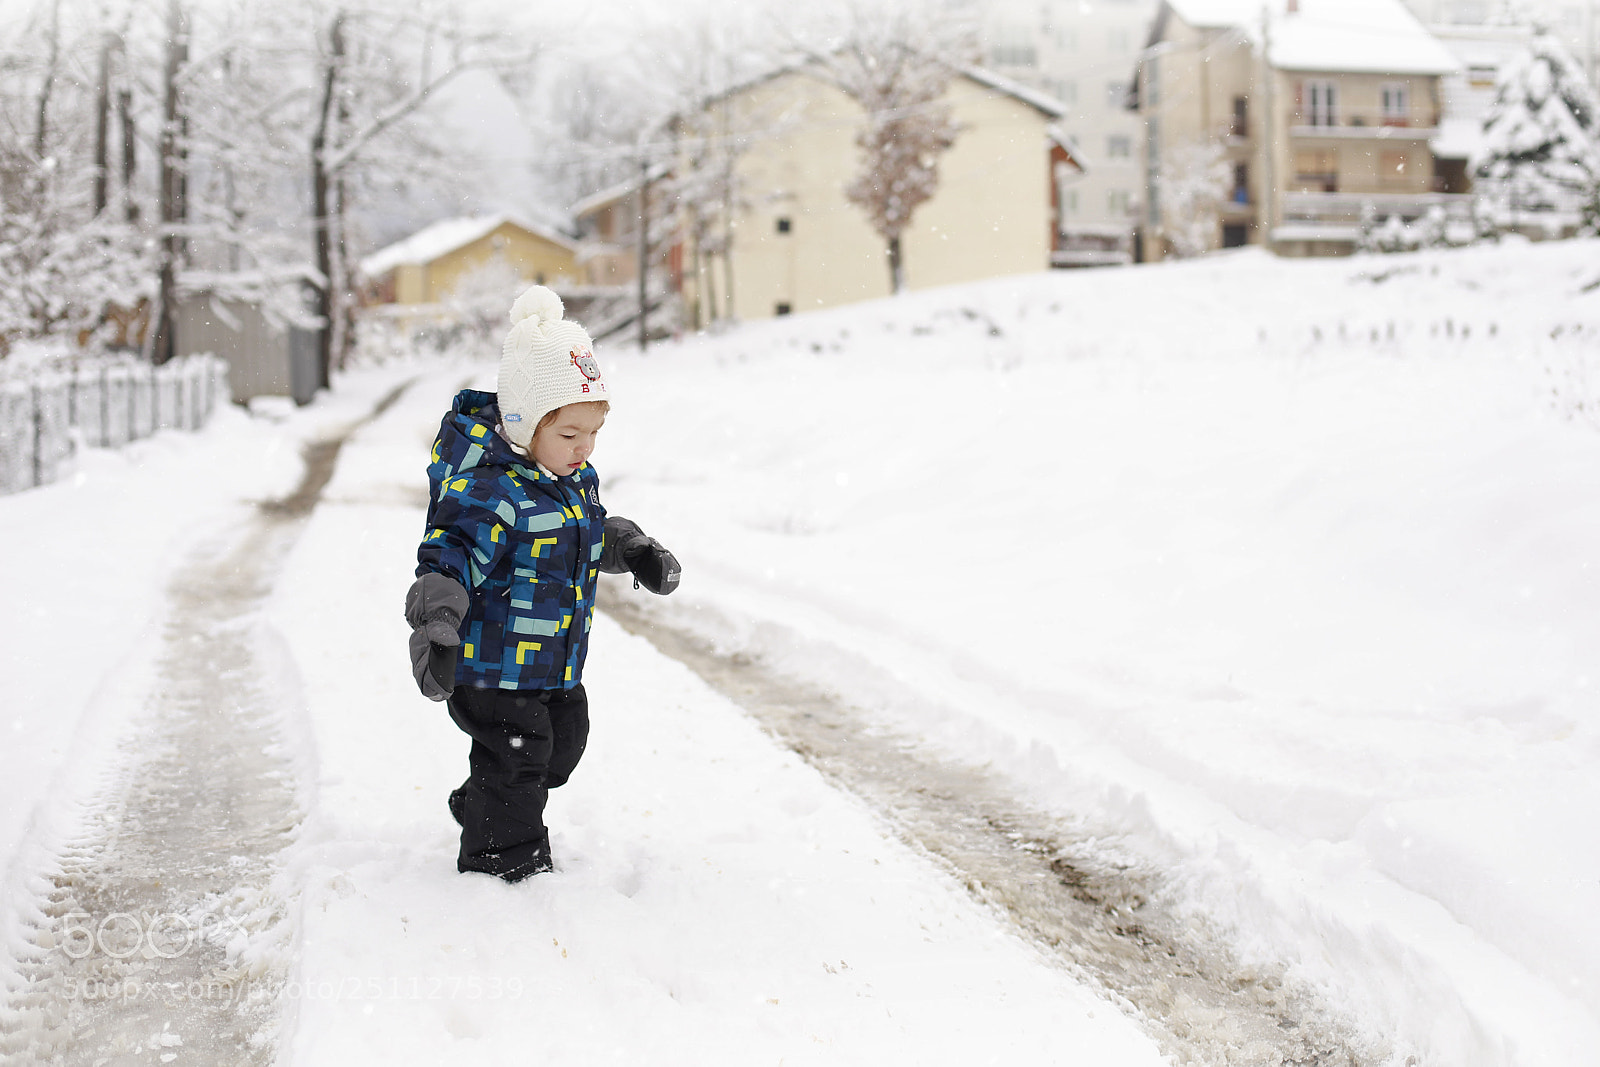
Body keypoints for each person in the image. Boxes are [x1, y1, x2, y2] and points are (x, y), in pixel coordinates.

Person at [404, 285, 680, 882]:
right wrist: (437, 623)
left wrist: (631, 549)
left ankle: (487, 801)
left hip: (552, 662)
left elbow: (584, 532)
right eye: (570, 434)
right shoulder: (492, 492)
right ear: (525, 425)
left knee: (562, 746)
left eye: (592, 434)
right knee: (519, 760)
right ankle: (503, 862)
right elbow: (448, 556)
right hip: (492, 665)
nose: (584, 449)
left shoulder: (570, 477)